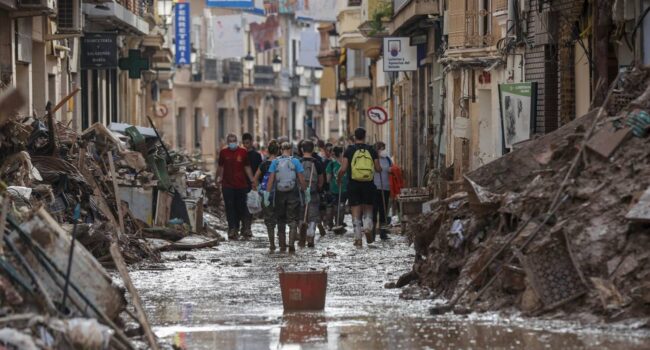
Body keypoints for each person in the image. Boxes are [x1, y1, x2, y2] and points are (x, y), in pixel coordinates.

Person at [337, 128, 381, 247]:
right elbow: (378, 169)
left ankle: (358, 238)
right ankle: (367, 227)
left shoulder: (349, 150)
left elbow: (343, 169)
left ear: (354, 137)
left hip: (353, 184)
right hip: (368, 184)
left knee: (355, 211)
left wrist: (338, 178)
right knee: (368, 209)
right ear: (365, 136)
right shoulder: (371, 150)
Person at [266, 142, 307, 253]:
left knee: (281, 219)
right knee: (292, 219)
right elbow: (301, 179)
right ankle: (291, 243)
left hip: (279, 193)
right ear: (291, 150)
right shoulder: (296, 161)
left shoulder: (275, 162)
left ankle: (282, 245)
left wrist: (267, 195)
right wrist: (306, 192)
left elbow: (271, 180)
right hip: (293, 193)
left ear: (281, 149)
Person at [216, 133, 255, 240]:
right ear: (227, 142)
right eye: (230, 141)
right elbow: (220, 167)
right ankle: (232, 229)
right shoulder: (223, 152)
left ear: (237, 141)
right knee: (229, 207)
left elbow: (247, 166)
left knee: (241, 207)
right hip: (227, 185)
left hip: (241, 185)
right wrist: (217, 178)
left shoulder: (243, 152)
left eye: (234, 141)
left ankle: (243, 228)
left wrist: (252, 180)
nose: (232, 143)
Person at [253, 140, 280, 252]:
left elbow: (255, 179)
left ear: (268, 151)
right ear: (278, 151)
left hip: (266, 195)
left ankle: (272, 243)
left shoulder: (264, 164)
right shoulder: (280, 163)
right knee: (280, 218)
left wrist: (259, 188)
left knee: (269, 220)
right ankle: (283, 243)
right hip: (280, 194)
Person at [299, 140, 325, 248]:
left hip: (300, 192)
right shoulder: (317, 163)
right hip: (313, 191)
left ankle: (302, 237)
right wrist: (318, 188)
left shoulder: (298, 162)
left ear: (302, 150)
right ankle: (311, 235)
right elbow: (321, 180)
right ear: (313, 150)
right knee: (313, 215)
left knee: (301, 214)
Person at [241, 133, 263, 238]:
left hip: (251, 184)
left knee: (250, 206)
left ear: (251, 142)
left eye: (248, 143)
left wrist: (258, 182)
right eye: (244, 143)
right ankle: (243, 227)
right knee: (241, 206)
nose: (246, 145)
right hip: (240, 183)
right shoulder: (240, 154)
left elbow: (260, 170)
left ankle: (247, 227)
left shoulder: (256, 155)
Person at [372, 141, 392, 241]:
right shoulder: (372, 159)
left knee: (383, 211)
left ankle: (383, 232)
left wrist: (392, 170)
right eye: (381, 148)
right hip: (375, 188)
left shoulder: (387, 159)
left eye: (384, 148)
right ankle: (372, 232)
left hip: (386, 187)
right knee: (374, 210)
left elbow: (392, 169)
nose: (383, 151)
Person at [326, 146, 348, 230]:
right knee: (341, 207)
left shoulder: (331, 164)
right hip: (342, 189)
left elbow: (328, 179)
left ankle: (335, 224)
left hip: (335, 189)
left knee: (336, 207)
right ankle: (338, 223)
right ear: (341, 153)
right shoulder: (346, 164)